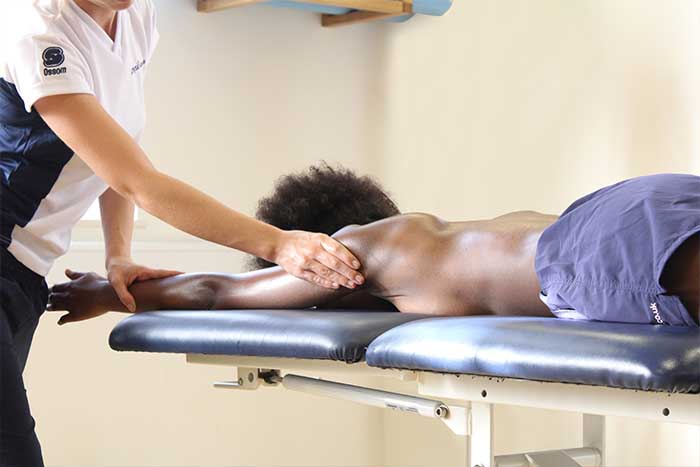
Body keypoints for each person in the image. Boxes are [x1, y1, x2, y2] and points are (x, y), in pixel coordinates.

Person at [0, 2, 362, 465]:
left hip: (24, 275)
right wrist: (280, 244)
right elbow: (138, 181)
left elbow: (117, 149)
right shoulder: (38, 34)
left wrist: (119, 256)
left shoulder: (136, 16)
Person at [49, 169, 700, 327]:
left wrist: (108, 291)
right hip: (622, 203)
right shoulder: (445, 230)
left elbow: (224, 292)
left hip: (591, 258)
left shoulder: (357, 253)